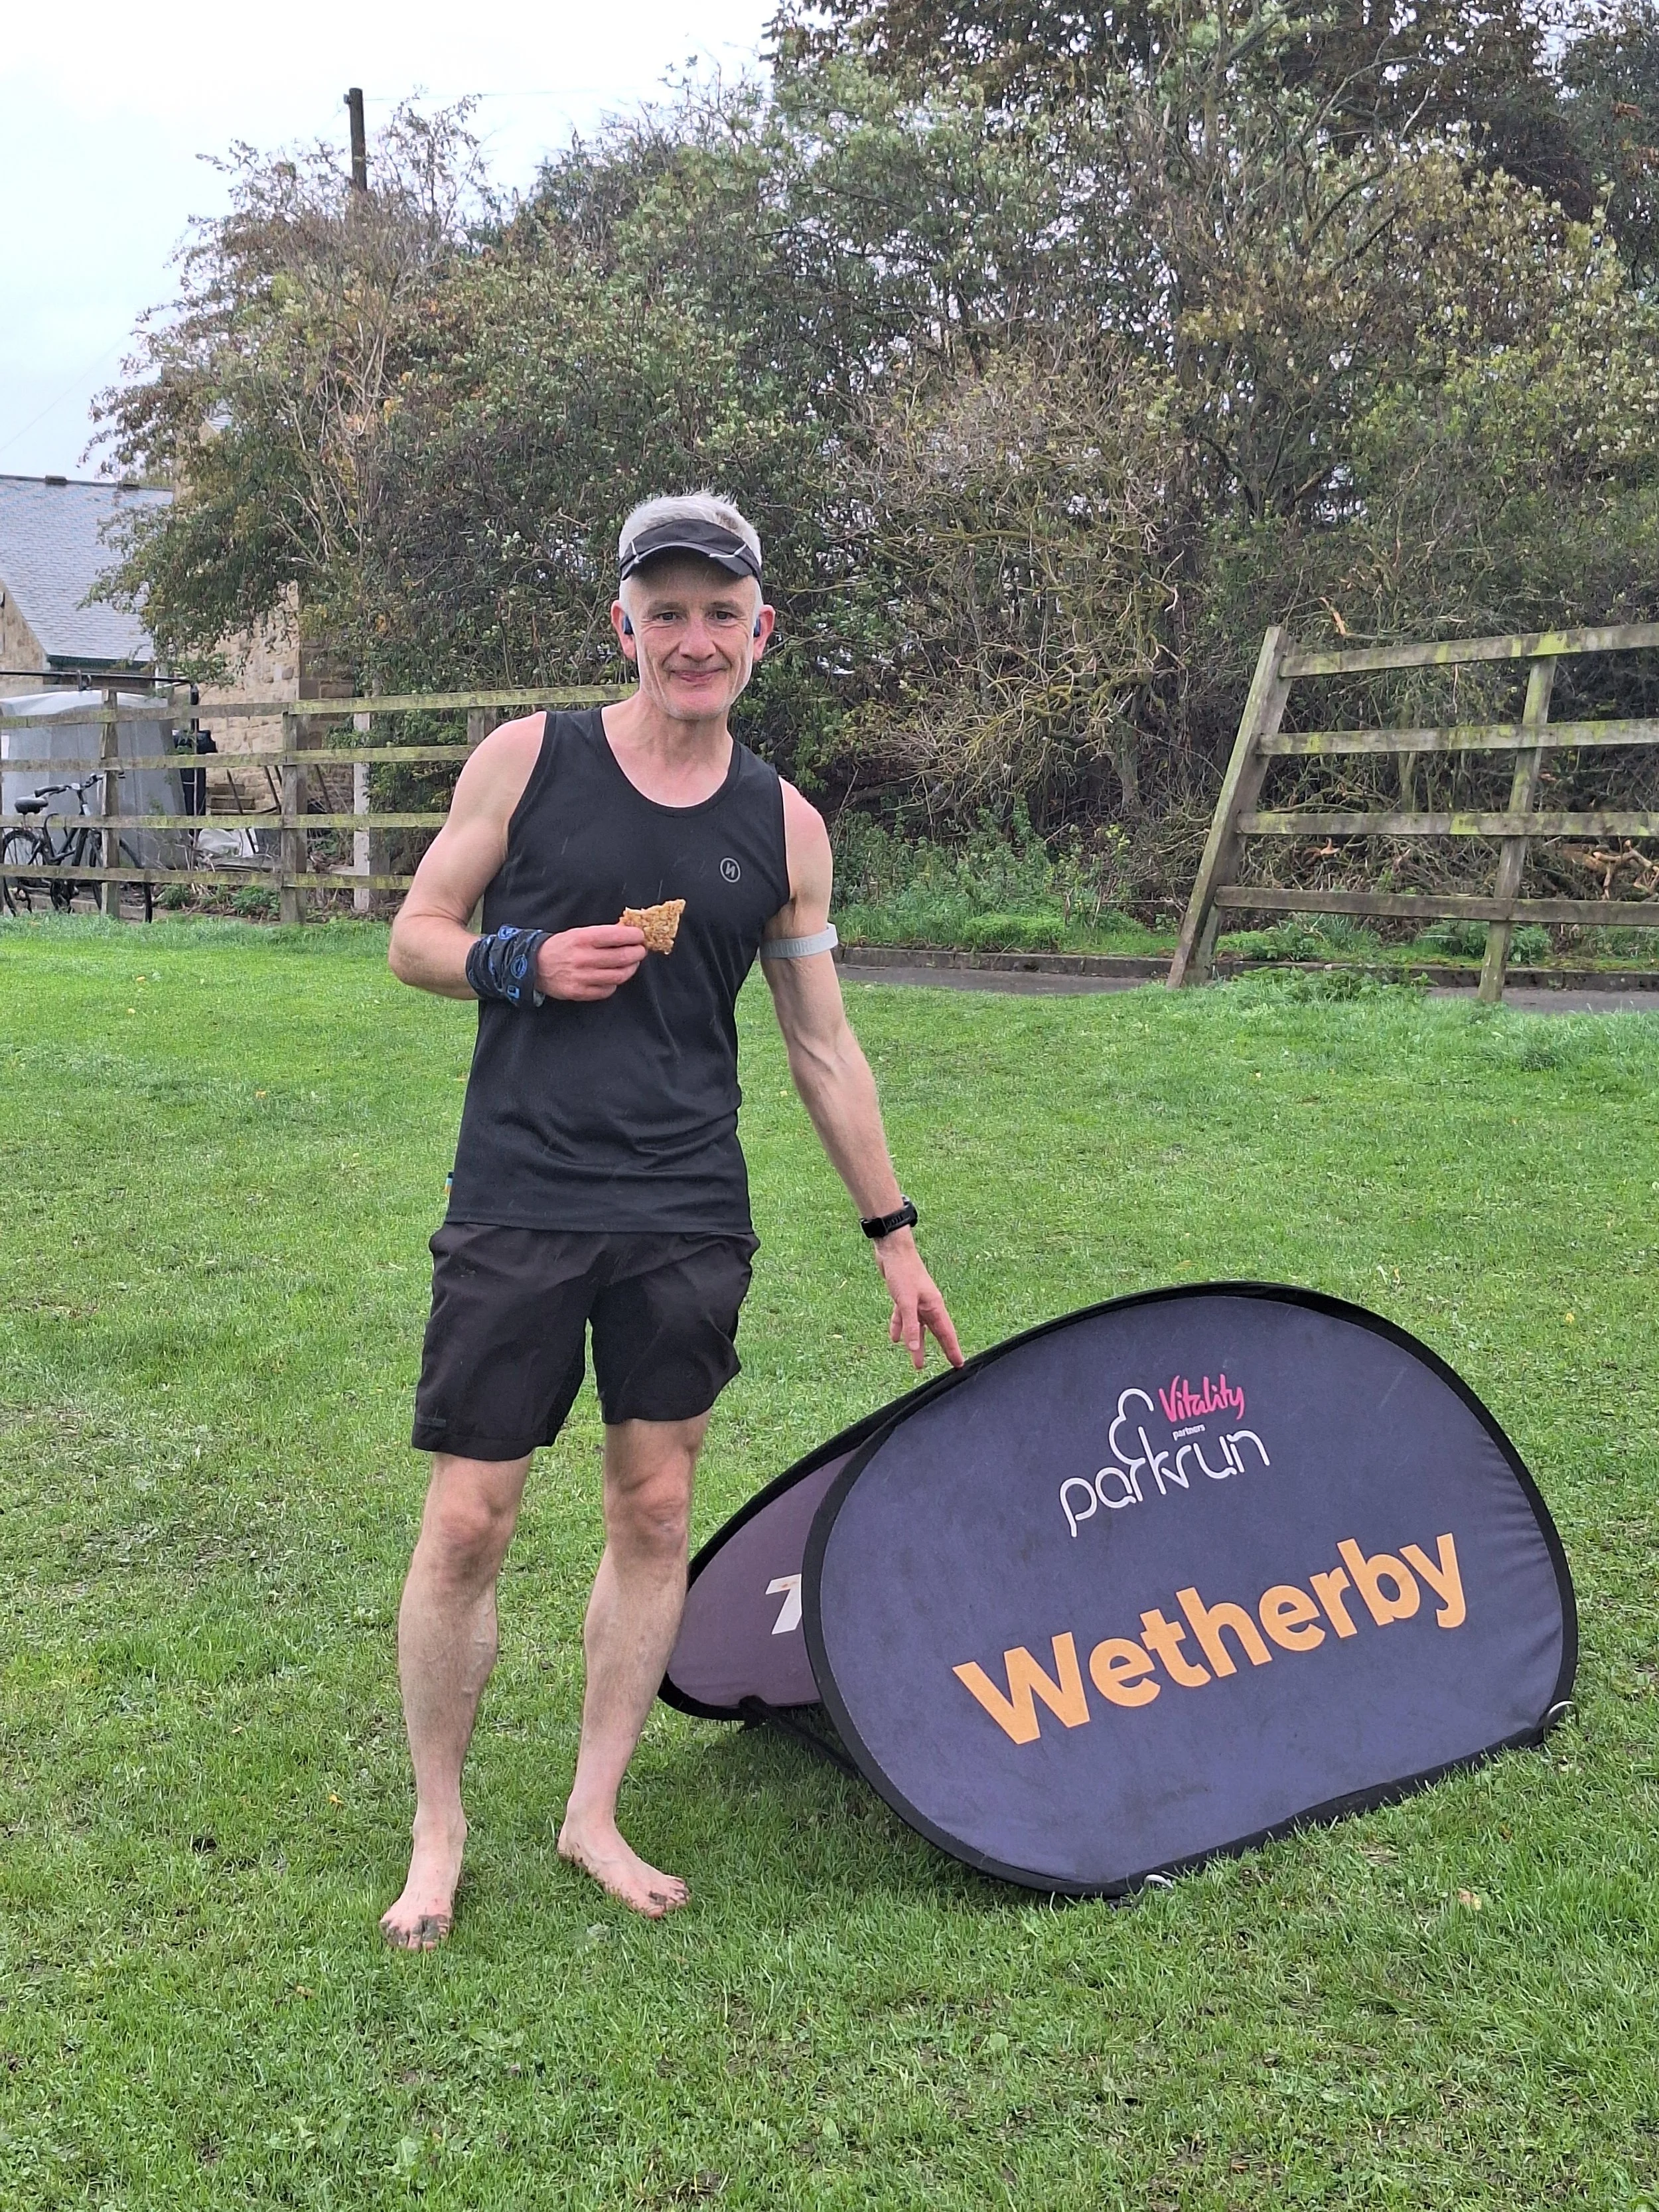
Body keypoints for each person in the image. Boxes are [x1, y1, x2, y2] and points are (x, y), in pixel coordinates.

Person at [380, 491, 962, 1942]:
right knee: (467, 1521)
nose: (691, 638)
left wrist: (893, 1233)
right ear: (622, 623)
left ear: (759, 633)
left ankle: (592, 1811)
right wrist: (516, 962)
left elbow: (823, 1048)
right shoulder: (528, 759)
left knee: (653, 1508)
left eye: (720, 612)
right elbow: (413, 934)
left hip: (687, 1209)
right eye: (667, 609)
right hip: (518, 1192)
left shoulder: (785, 825)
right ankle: (438, 1827)